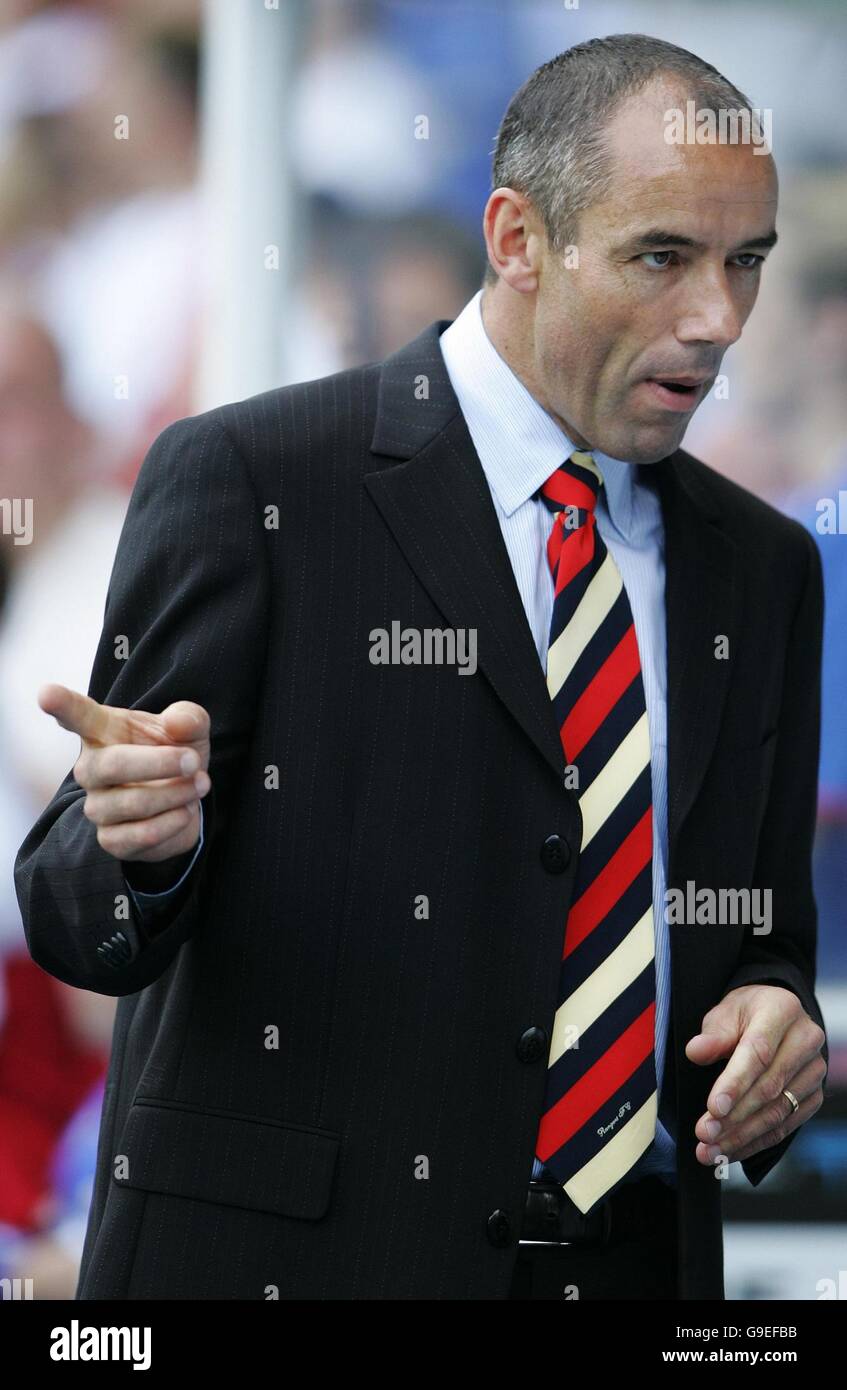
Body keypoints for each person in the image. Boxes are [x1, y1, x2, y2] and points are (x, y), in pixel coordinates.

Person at [15, 34, 827, 1301]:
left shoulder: (765, 569)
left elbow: (758, 936)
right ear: (515, 238)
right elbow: (79, 908)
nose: (716, 318)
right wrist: (139, 842)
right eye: (661, 257)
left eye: (747, 263)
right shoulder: (255, 481)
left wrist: (781, 1020)